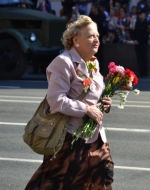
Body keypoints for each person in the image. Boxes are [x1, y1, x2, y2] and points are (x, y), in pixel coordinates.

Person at [25, 15, 114, 190]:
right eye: (90, 35)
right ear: (76, 40)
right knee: (62, 184)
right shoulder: (63, 62)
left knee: (103, 176)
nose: (96, 39)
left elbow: (92, 97)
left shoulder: (93, 64)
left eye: (97, 35)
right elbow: (56, 100)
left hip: (95, 137)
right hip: (70, 138)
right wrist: (87, 109)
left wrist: (104, 103)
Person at [133, 10, 149, 77]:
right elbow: (135, 32)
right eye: (138, 14)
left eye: (141, 14)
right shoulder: (137, 22)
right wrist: (135, 40)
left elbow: (146, 34)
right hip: (137, 43)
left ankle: (144, 72)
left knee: (143, 58)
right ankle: (140, 71)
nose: (139, 15)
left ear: (144, 14)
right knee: (139, 58)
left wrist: (139, 40)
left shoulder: (147, 23)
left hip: (143, 43)